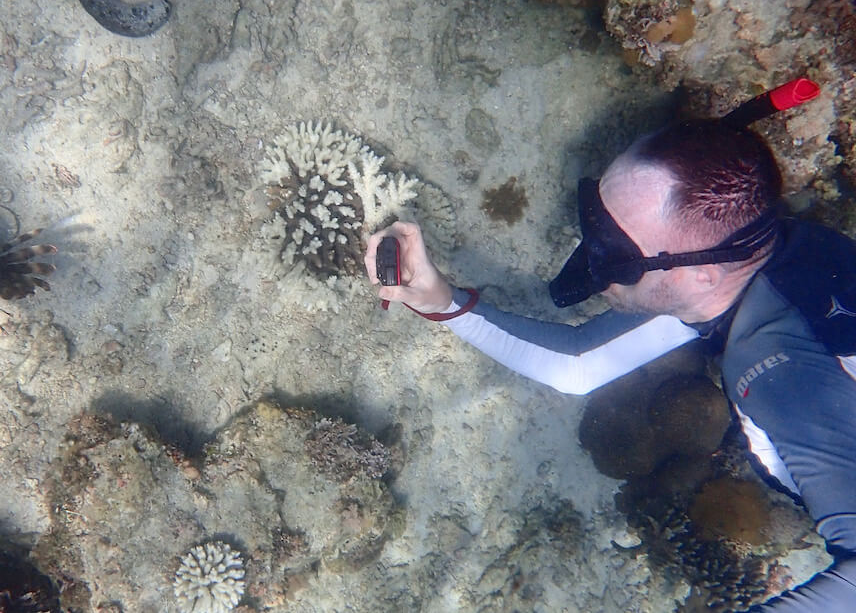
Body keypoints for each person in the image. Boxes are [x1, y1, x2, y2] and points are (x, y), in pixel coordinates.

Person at [365, 101, 856, 611]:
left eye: (615, 257)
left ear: (698, 276)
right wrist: (442, 301)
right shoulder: (766, 262)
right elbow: (578, 367)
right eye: (594, 221)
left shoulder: (782, 373)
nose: (590, 262)